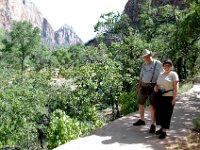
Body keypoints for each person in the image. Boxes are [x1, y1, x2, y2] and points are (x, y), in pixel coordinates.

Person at [133, 49, 163, 134]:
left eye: (147, 56)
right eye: (144, 57)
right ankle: (142, 120)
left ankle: (152, 125)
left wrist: (157, 85)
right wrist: (138, 88)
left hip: (154, 86)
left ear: (150, 55)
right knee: (140, 102)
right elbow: (141, 78)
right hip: (144, 86)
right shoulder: (144, 65)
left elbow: (162, 75)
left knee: (152, 106)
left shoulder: (158, 64)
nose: (146, 57)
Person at [154, 59, 179, 139]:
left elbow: (176, 87)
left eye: (168, 65)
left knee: (167, 114)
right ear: (163, 66)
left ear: (171, 66)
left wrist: (174, 99)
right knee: (160, 114)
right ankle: (161, 128)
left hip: (169, 97)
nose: (167, 67)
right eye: (165, 65)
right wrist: (155, 87)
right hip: (160, 97)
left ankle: (164, 131)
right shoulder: (161, 74)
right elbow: (157, 84)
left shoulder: (173, 74)